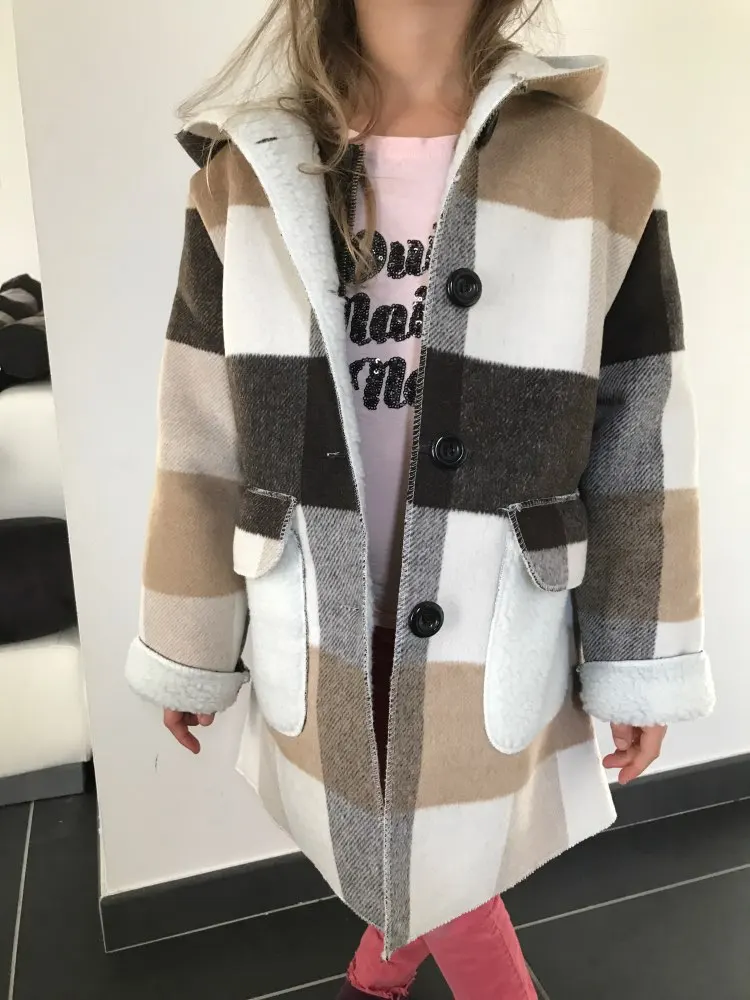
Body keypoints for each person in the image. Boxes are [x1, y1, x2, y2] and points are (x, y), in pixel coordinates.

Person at [125, 1, 715, 996]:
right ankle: (378, 970)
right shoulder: (242, 180)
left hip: (495, 623)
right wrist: (188, 642)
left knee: (444, 845)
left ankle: (379, 975)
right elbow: (200, 439)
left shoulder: (602, 176)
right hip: (319, 616)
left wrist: (638, 660)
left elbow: (640, 446)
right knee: (407, 839)